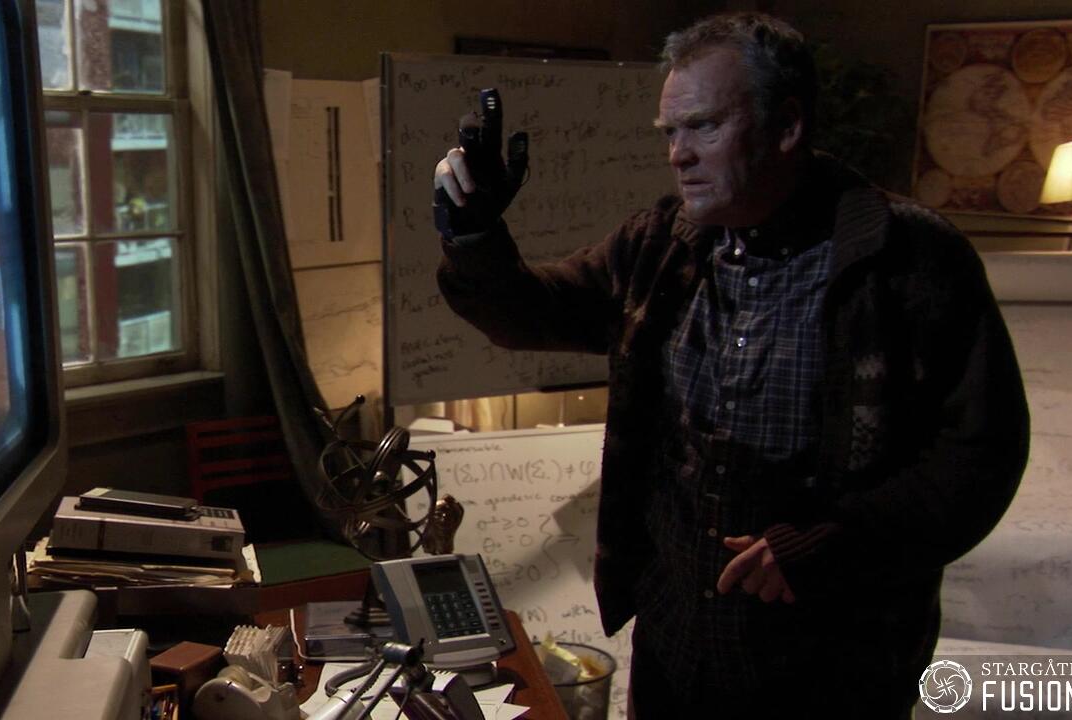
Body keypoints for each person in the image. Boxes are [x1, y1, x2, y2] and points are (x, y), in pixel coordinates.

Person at [431, 12, 1029, 717]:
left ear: (787, 126)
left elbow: (981, 452)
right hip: (679, 640)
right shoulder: (663, 243)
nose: (678, 154)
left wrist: (837, 541)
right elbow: (535, 312)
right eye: (670, 132)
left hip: (838, 658)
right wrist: (475, 235)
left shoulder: (904, 257)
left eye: (704, 128)